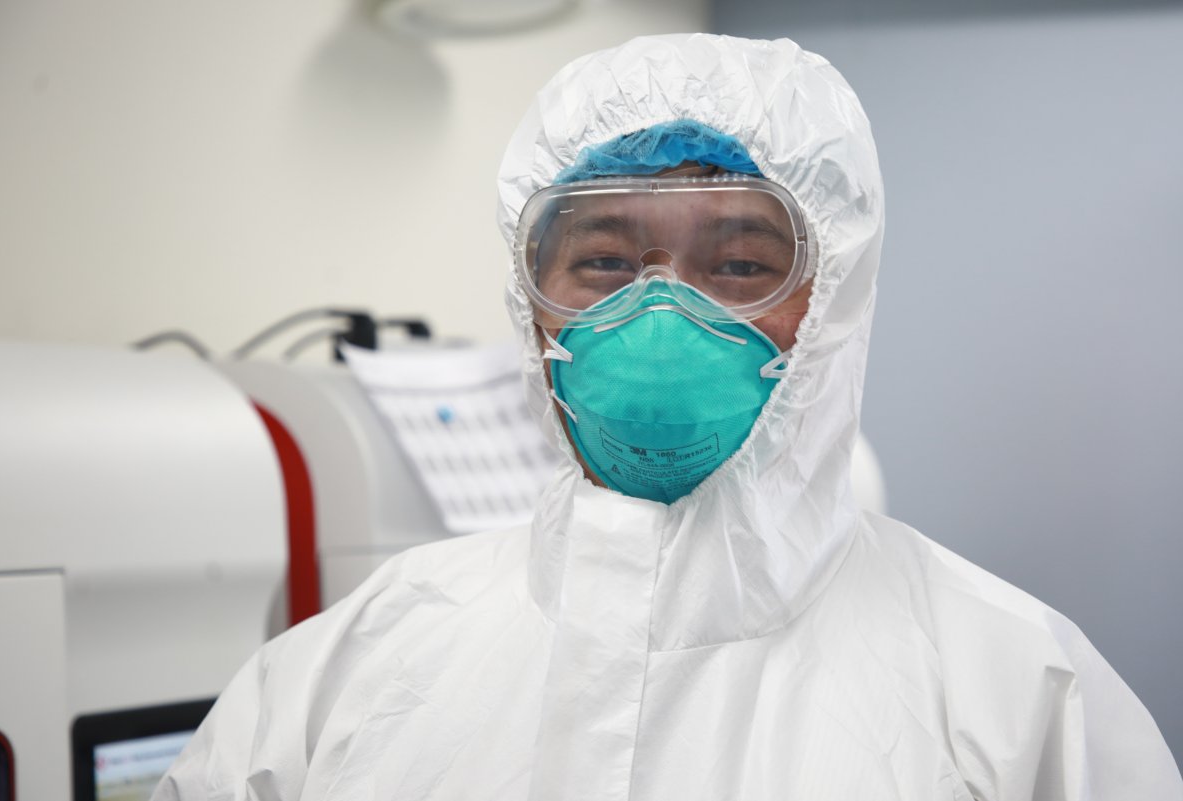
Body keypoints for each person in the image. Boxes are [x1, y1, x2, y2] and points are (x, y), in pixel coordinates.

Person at [154, 34, 1182, 800]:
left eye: (738, 264)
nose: (658, 317)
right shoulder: (346, 672)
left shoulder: (1018, 692)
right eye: (603, 260)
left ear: (834, 299)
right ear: (530, 299)